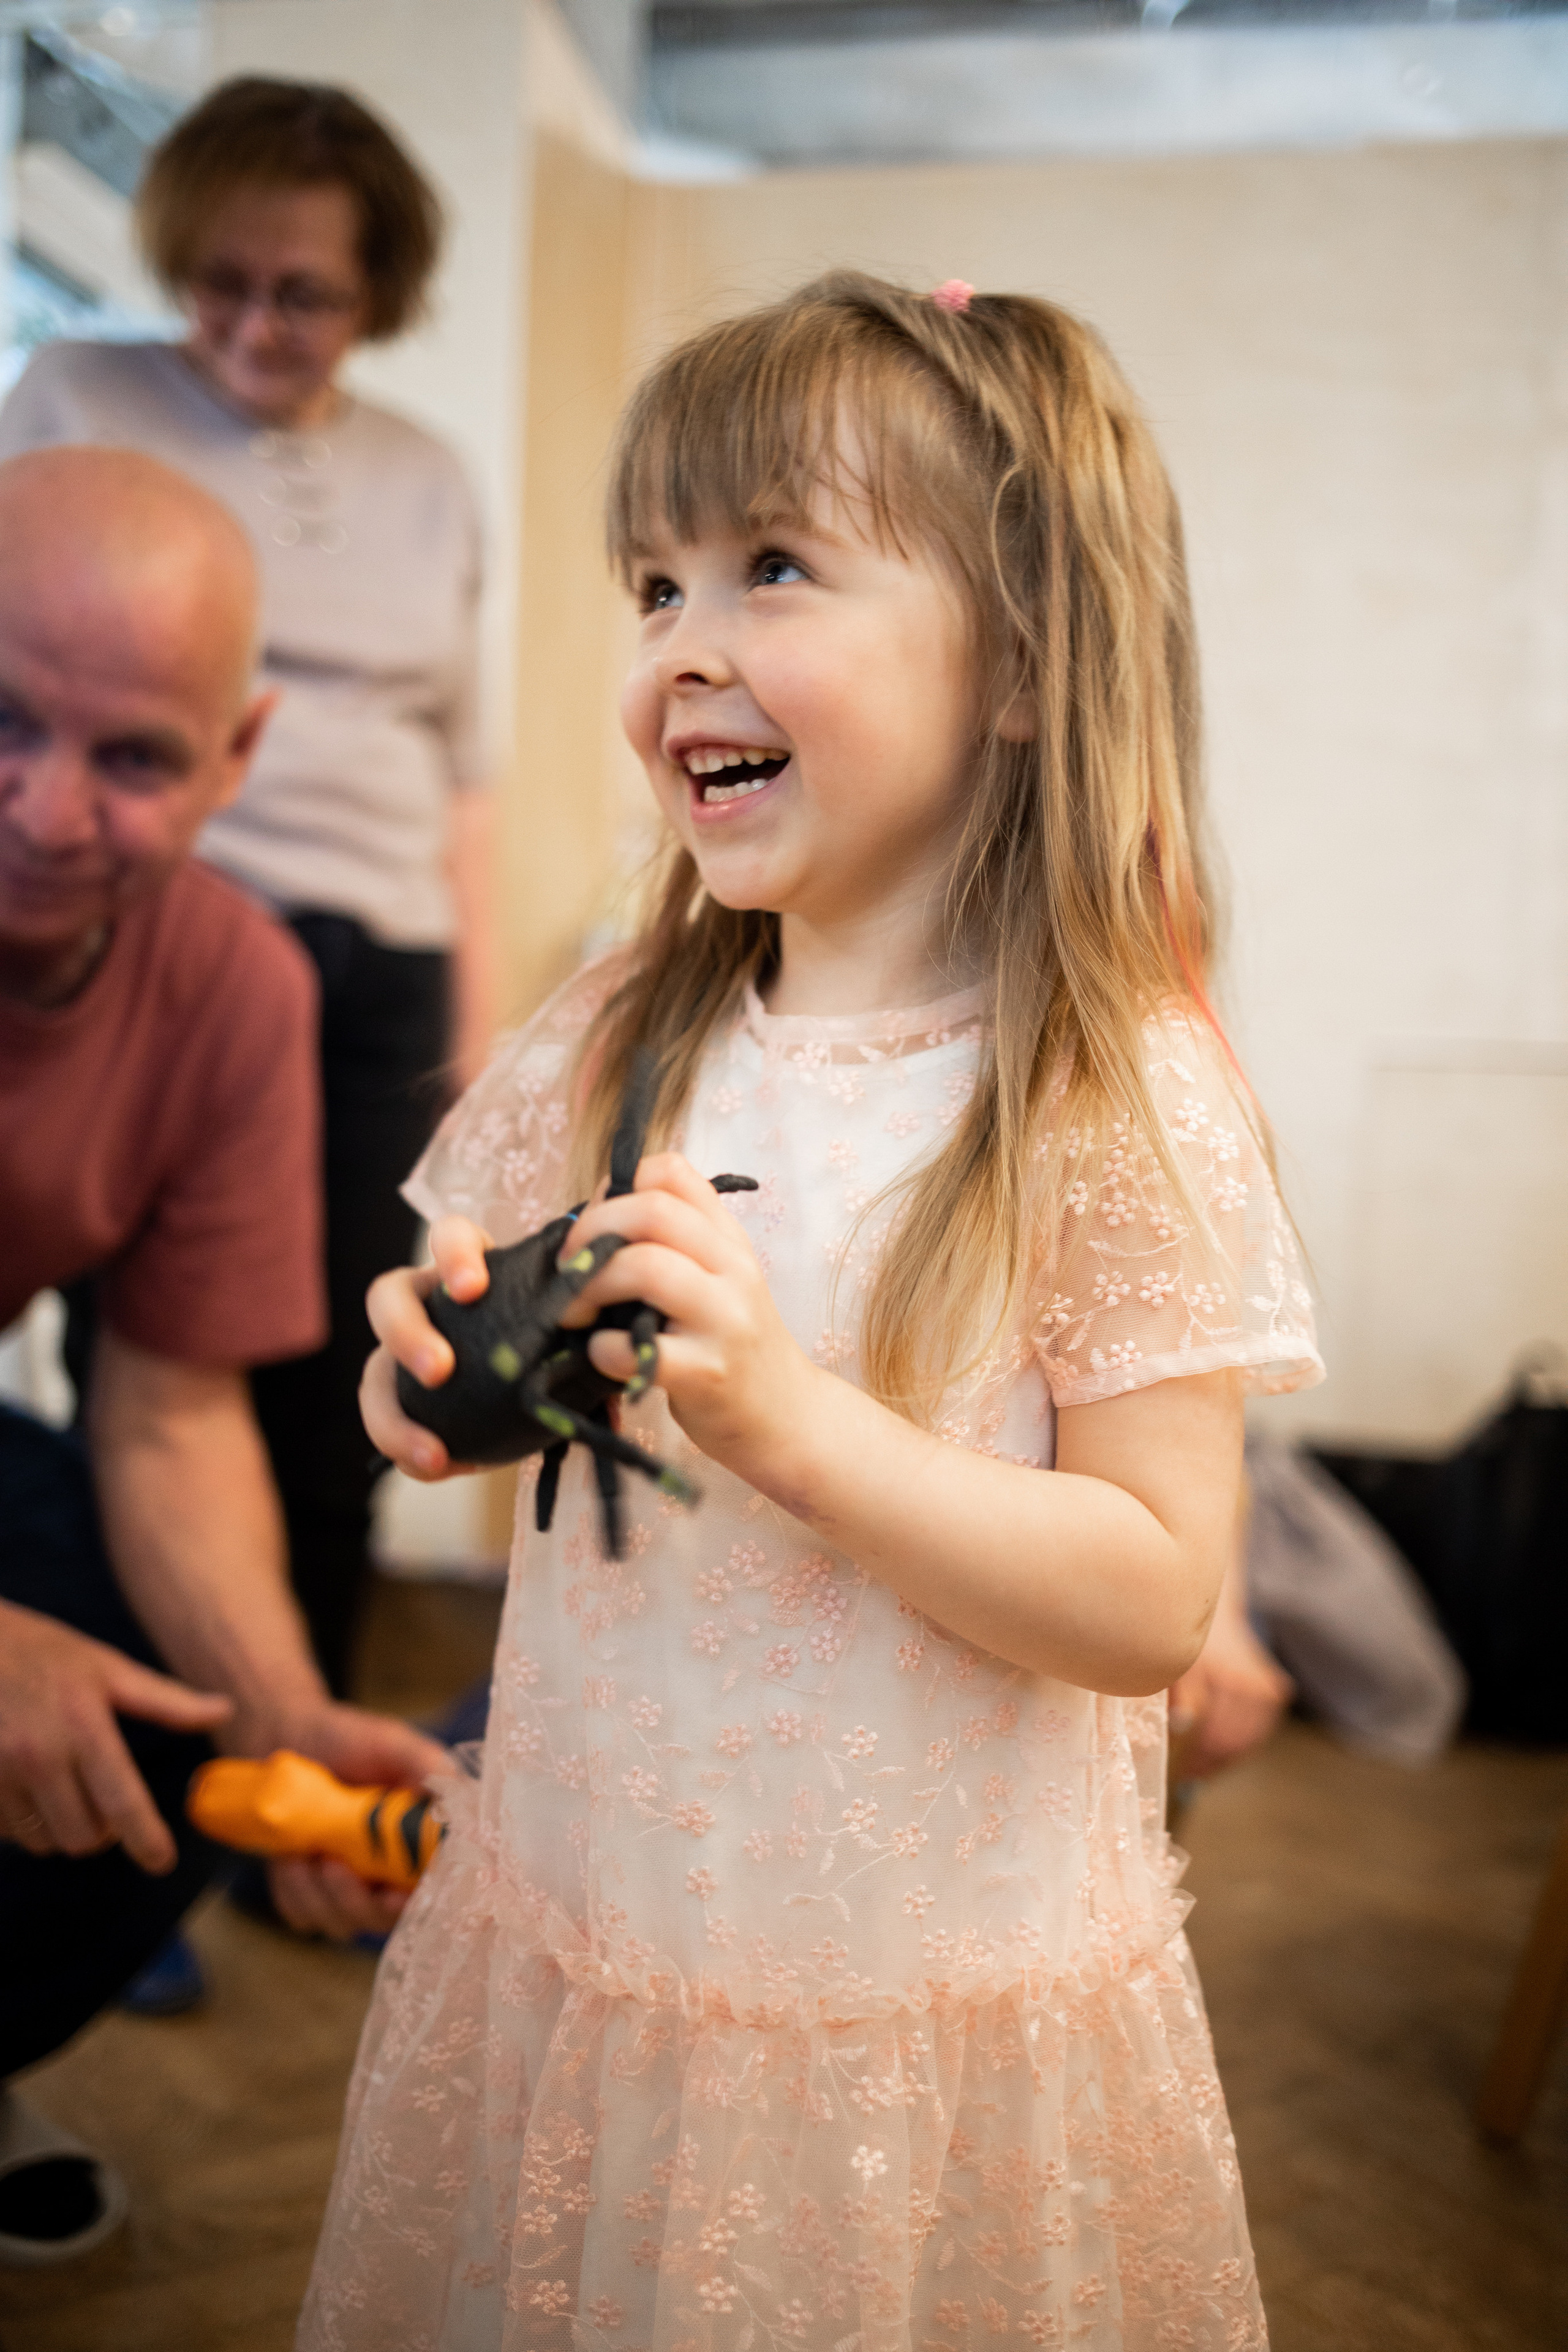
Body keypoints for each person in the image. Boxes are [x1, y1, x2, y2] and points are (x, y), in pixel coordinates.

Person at [301, 274, 1323, 2350]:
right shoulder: (619, 1027)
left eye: (772, 568)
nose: (685, 650)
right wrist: (435, 1374)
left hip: (905, 2008)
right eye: (657, 583)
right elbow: (476, 1330)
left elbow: (1147, 1593)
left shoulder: (1105, 1091)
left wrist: (794, 1427)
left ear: (1025, 660)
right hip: (601, 1930)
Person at [0, 76, 498, 1700]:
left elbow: (464, 774)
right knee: (111, 1361)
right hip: (133, 942)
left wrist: (476, 1045)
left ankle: (278, 1762)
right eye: (224, 278)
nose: (257, 325)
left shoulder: (430, 475)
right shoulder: (76, 389)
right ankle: (101, 1733)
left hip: (372, 969)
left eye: (308, 296)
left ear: (380, 300)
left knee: (337, 1376)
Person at [0, 447, 443, 2264]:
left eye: (131, 759)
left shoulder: (238, 987)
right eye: (3, 724)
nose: (41, 810)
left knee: (161, 1690)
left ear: (236, 760)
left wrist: (281, 1722)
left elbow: (171, 1418)